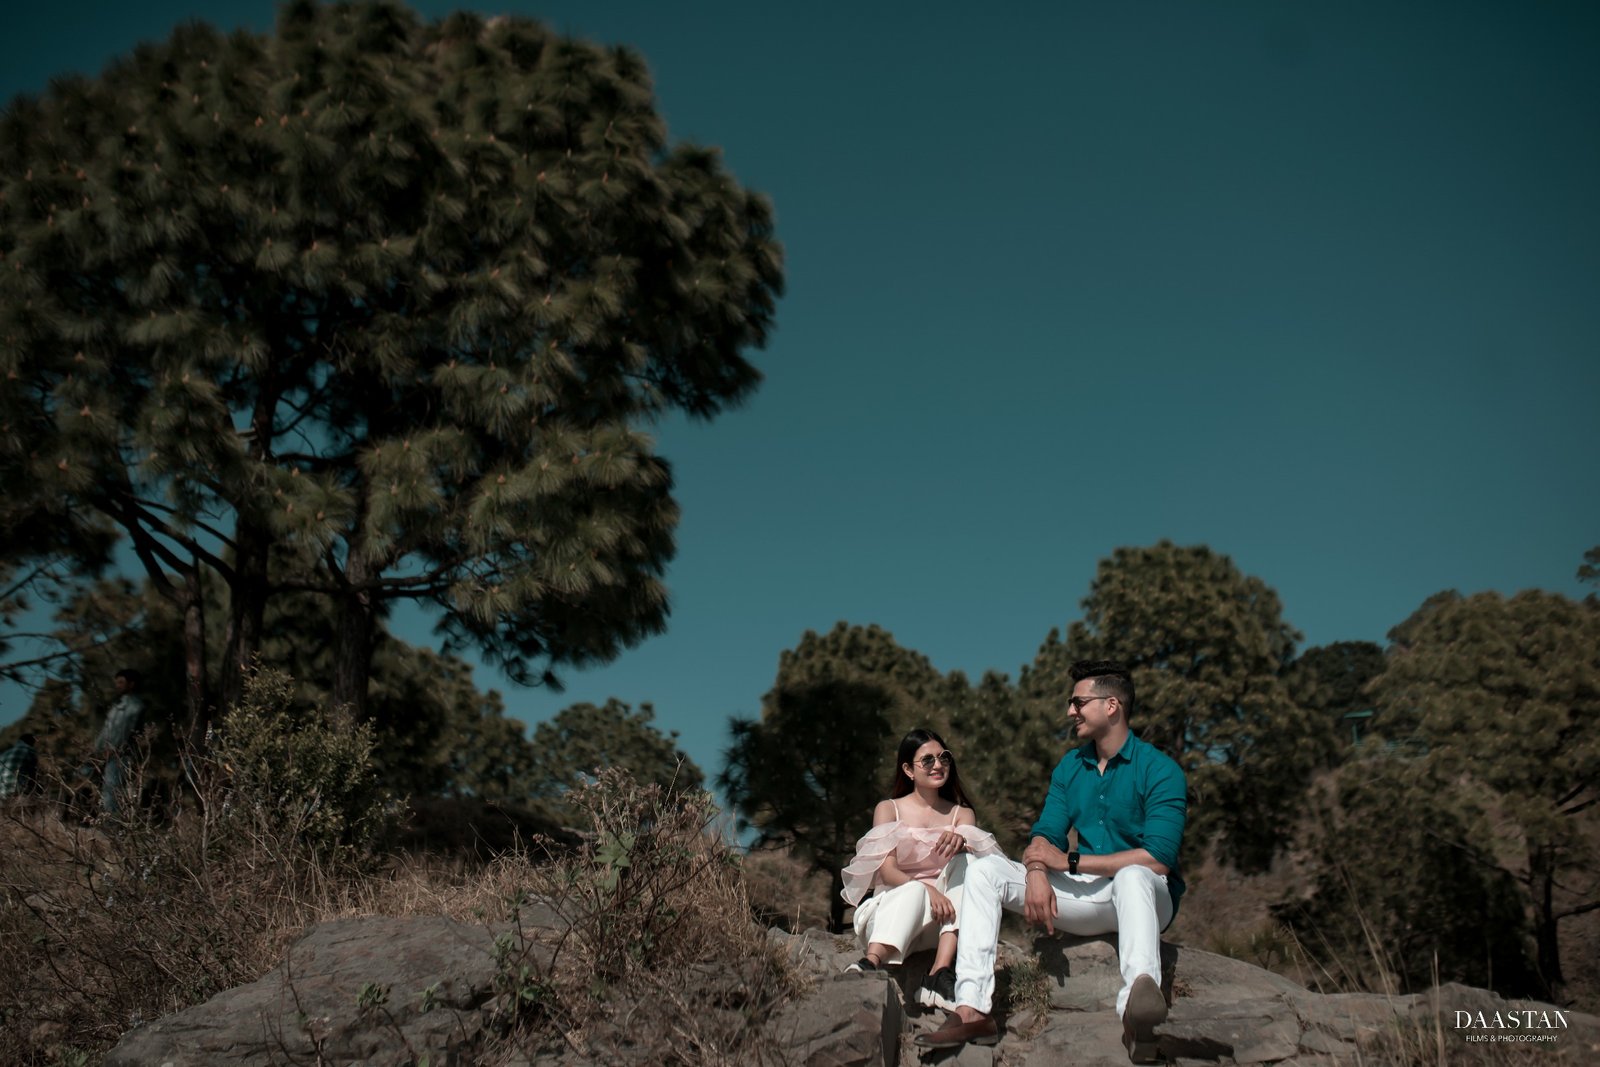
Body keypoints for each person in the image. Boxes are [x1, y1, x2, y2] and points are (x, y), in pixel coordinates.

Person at [916, 661, 1187, 1063]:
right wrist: (1038, 871)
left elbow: (1160, 859)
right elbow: (1045, 835)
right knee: (983, 868)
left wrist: (1068, 862)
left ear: (1112, 705)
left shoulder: (1160, 769)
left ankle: (1137, 1013)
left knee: (1134, 874)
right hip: (1082, 899)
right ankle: (972, 1009)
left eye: (1078, 702)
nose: (1070, 711)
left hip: (1146, 898)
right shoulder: (1070, 767)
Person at [840, 728, 1003, 1011]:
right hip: (892, 916)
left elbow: (976, 874)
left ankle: (939, 974)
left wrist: (963, 843)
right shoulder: (889, 809)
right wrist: (928, 890)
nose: (938, 765)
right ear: (908, 770)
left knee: (969, 863)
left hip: (941, 923)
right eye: (927, 760)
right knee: (913, 889)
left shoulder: (961, 814)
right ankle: (870, 962)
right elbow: (888, 872)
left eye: (944, 758)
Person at [92, 667, 146, 815]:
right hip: (107, 755)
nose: (117, 685)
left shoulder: (134, 706)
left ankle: (113, 828)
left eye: (121, 682)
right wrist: (96, 750)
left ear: (131, 684)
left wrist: (113, 749)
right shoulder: (117, 706)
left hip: (121, 756)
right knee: (105, 791)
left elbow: (126, 731)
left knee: (113, 792)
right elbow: (106, 730)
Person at [0, 733, 40, 800]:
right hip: (18, 794)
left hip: (2, 795)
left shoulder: (5, 753)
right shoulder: (29, 750)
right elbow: (34, 776)